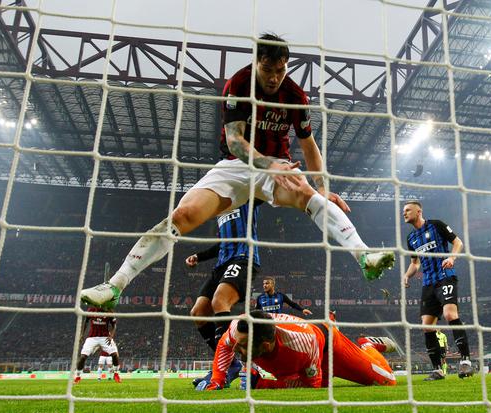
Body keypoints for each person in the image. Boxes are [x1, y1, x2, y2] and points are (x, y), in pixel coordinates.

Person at [80, 33, 395, 310]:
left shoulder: (295, 96)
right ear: (257, 63)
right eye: (268, 69)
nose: (274, 77)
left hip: (275, 168)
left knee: (308, 195)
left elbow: (309, 145)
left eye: (281, 70)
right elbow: (235, 141)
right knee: (182, 217)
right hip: (235, 166)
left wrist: (322, 187)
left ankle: (364, 256)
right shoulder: (239, 84)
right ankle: (115, 285)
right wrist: (268, 163)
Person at [199, 310, 397, 390]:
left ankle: (368, 345)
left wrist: (261, 383)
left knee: (388, 381)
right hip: (303, 351)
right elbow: (224, 347)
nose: (236, 348)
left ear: (265, 346)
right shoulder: (238, 328)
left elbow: (311, 387)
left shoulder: (302, 345)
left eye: (243, 346)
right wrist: (217, 379)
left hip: (330, 350)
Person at [402, 200, 472, 381]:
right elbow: (415, 263)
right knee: (426, 326)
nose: (404, 213)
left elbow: (458, 243)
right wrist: (407, 275)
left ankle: (466, 362)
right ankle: (437, 370)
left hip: (445, 276)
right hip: (428, 284)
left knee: (450, 315)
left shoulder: (436, 225)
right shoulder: (411, 239)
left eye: (408, 210)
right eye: (404, 211)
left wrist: (452, 258)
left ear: (418, 212)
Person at [185, 202, 263, 352]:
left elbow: (264, 190)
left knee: (219, 301)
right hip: (221, 265)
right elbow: (222, 244)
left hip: (243, 258)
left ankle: (227, 362)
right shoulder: (220, 210)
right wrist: (198, 256)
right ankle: (230, 363)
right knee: (198, 313)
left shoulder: (246, 198)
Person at [74, 307, 121, 384]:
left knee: (115, 354)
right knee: (82, 357)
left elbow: (114, 325)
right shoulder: (91, 310)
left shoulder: (109, 311)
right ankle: (77, 376)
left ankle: (116, 374)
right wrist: (82, 334)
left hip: (105, 337)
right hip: (92, 337)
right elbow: (86, 321)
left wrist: (111, 336)